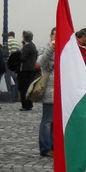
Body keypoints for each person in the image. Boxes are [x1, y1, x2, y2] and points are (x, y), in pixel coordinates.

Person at [37, 28, 56, 157]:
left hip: (60, 91)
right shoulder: (45, 48)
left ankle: (55, 145)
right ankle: (45, 147)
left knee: (56, 122)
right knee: (48, 120)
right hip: (49, 88)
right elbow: (40, 63)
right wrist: (51, 48)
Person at [17, 31, 37, 111]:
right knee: (28, 87)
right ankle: (28, 104)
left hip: (25, 69)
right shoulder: (32, 45)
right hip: (31, 69)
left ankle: (25, 104)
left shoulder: (27, 46)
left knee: (24, 88)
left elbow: (23, 58)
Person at [5, 31, 20, 102]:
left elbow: (8, 53)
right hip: (16, 64)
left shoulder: (8, 42)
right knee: (15, 81)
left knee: (9, 80)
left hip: (10, 64)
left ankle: (10, 96)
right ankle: (15, 97)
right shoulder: (17, 43)